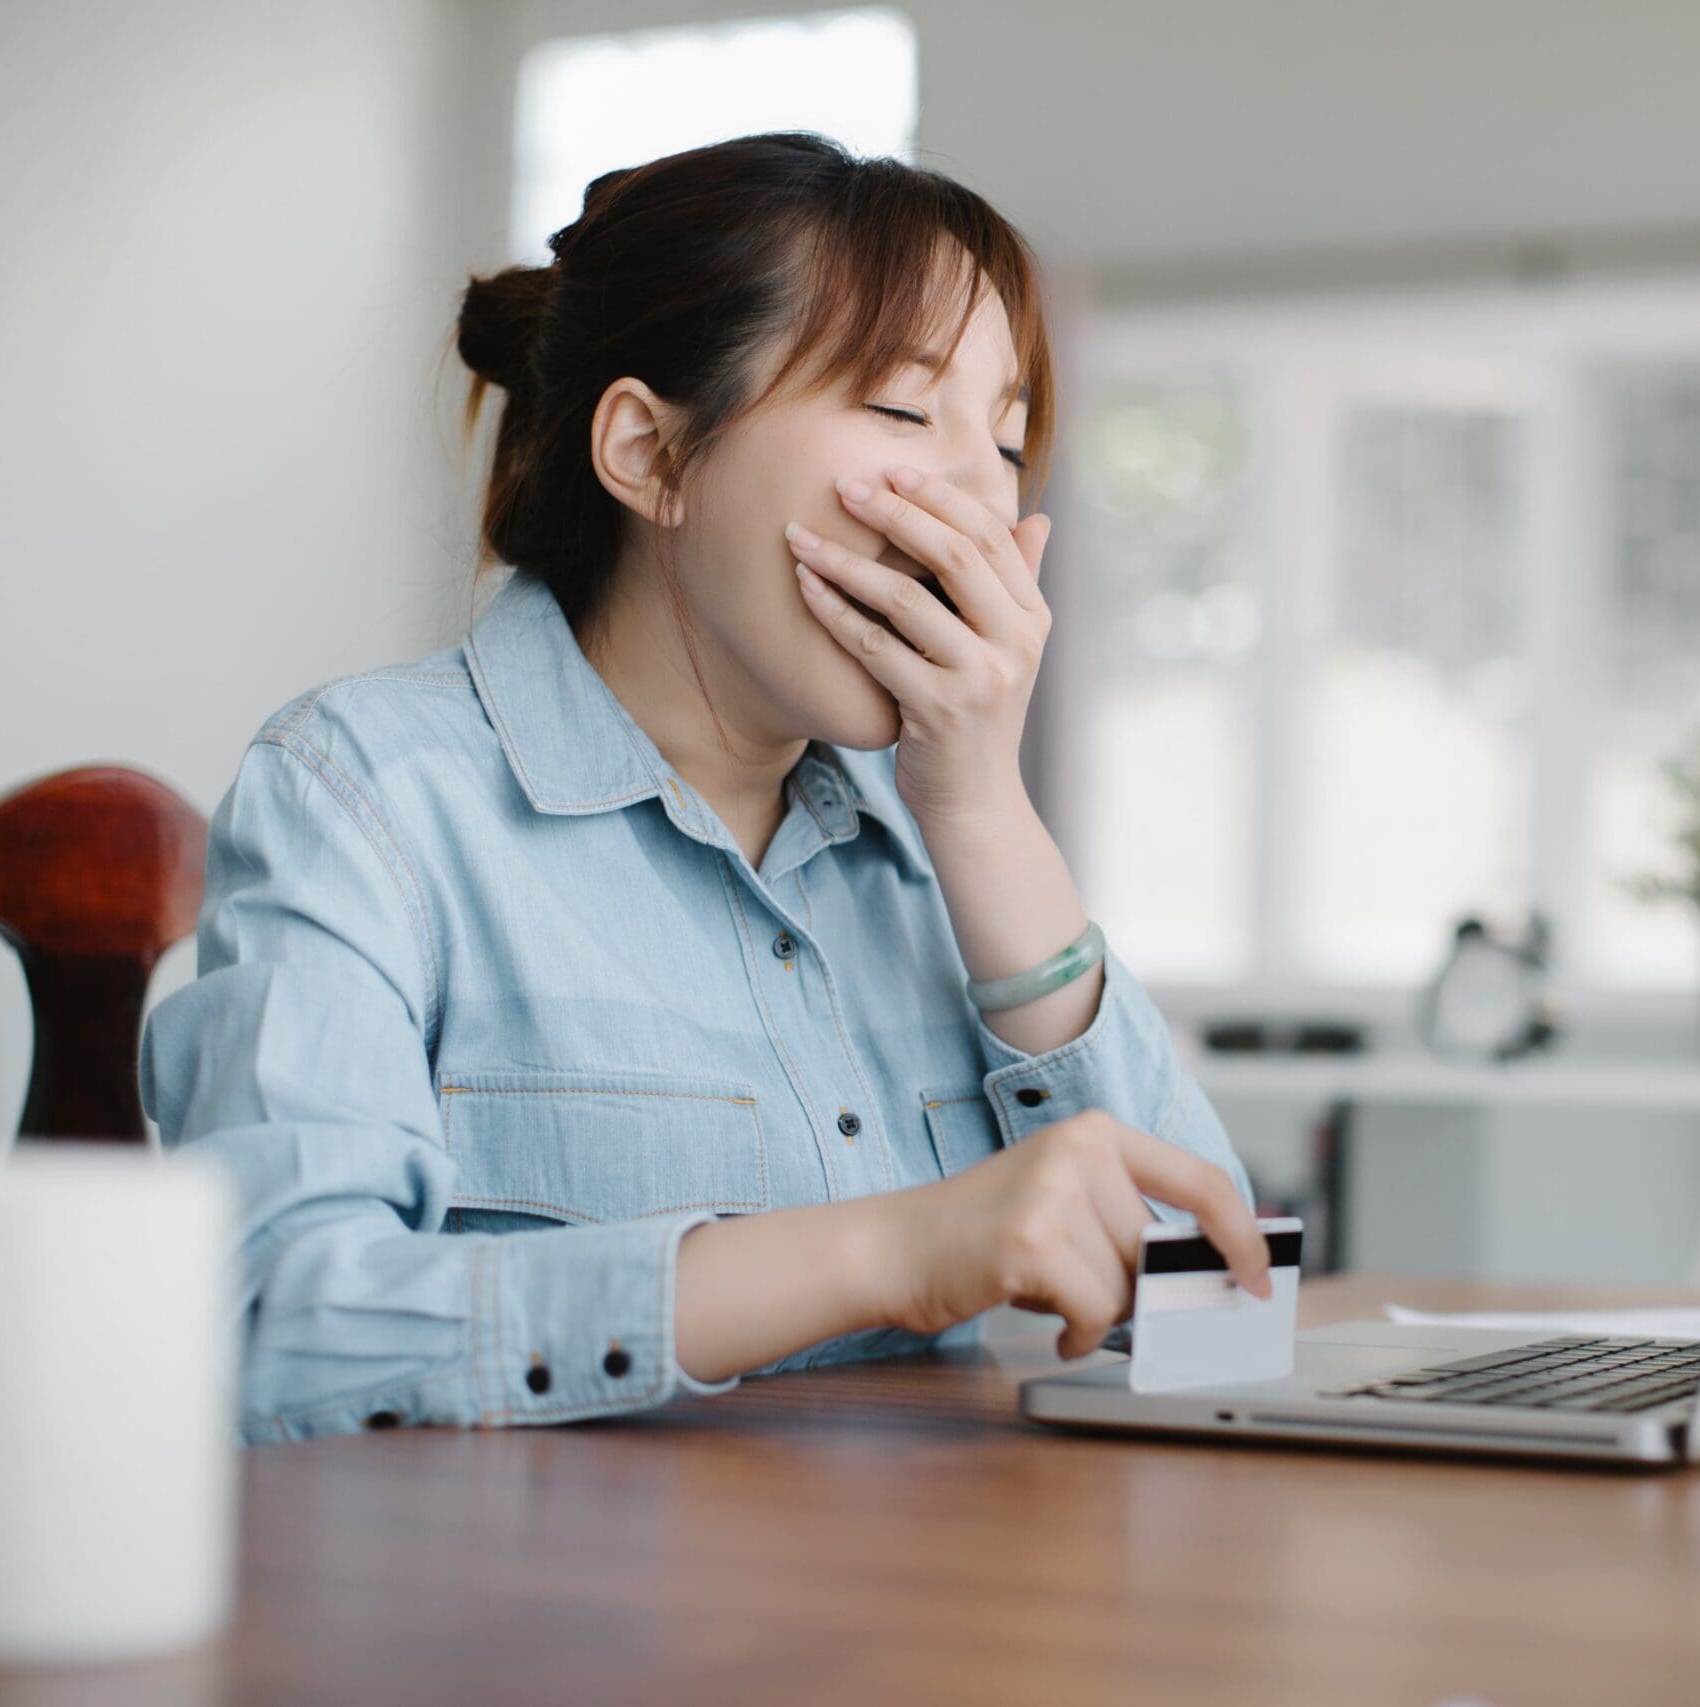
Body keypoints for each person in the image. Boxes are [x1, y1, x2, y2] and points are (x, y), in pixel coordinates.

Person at [138, 131, 1271, 1446]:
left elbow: (1224, 1308)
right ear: (652, 456)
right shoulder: (366, 796)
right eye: (904, 413)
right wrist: (885, 1252)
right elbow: (275, 1334)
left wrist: (982, 808)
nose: (974, 499)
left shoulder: (937, 842)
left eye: (1007, 443)